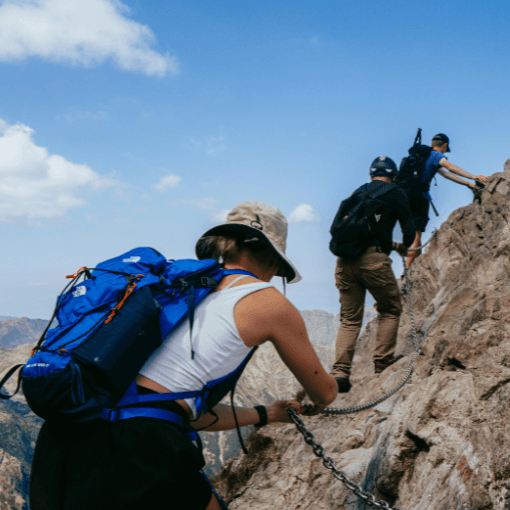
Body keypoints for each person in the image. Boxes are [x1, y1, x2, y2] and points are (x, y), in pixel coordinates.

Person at [29, 201, 338, 510]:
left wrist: (265, 414)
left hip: (63, 434)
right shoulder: (269, 303)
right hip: (140, 444)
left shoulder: (180, 288)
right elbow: (323, 393)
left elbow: (177, 410)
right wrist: (333, 386)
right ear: (271, 256)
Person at [331, 157, 416, 393]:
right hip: (374, 261)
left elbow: (362, 231)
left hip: (344, 261)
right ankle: (383, 362)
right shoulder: (396, 192)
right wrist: (405, 245)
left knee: (349, 319)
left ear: (371, 175)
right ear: (393, 176)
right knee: (390, 309)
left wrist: (392, 245)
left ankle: (340, 373)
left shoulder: (358, 192)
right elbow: (409, 229)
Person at [406, 133, 490, 267]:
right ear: (445, 145)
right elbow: (450, 168)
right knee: (416, 235)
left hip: (404, 195)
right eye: (446, 149)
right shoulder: (436, 155)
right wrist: (473, 176)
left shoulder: (422, 156)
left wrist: (468, 183)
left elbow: (445, 174)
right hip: (419, 197)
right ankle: (407, 270)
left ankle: (413, 268)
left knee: (415, 232)